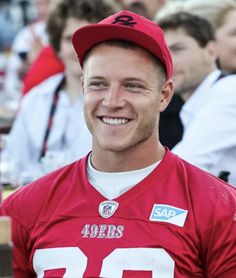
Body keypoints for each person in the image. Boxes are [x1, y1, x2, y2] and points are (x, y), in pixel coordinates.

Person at [0, 10, 235, 277]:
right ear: (84, 87)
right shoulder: (24, 207)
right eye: (98, 84)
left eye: (132, 86)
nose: (112, 101)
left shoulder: (219, 207)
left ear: (164, 96)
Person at [2, 0, 119, 183]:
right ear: (57, 44)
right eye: (69, 39)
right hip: (35, 201)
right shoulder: (37, 98)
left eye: (87, 39)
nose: (78, 49)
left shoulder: (117, 103)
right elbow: (13, 162)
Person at [157, 12, 236, 185]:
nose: (168, 62)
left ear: (211, 51)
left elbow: (182, 168)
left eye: (177, 50)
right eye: (163, 52)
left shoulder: (229, 91)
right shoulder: (205, 99)